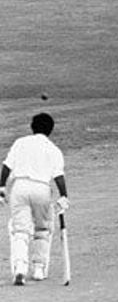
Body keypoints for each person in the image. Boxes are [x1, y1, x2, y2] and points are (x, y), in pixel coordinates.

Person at [0, 113, 69, 285]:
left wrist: (1, 188)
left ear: (32, 127)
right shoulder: (53, 149)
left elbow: (7, 166)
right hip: (42, 189)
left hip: (20, 187)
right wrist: (64, 196)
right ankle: (38, 269)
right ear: (51, 130)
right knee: (42, 229)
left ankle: (20, 268)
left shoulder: (20, 143)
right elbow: (58, 176)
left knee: (20, 230)